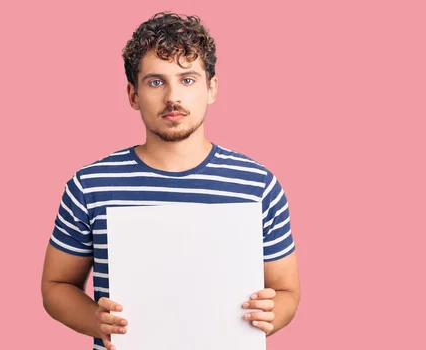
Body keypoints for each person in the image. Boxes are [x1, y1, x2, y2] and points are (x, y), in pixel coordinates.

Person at [41, 11, 301, 350]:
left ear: (212, 88)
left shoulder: (258, 184)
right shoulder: (90, 184)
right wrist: (95, 320)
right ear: (133, 95)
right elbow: (56, 285)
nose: (172, 97)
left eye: (188, 79)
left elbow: (287, 292)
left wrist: (271, 314)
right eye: (155, 81)